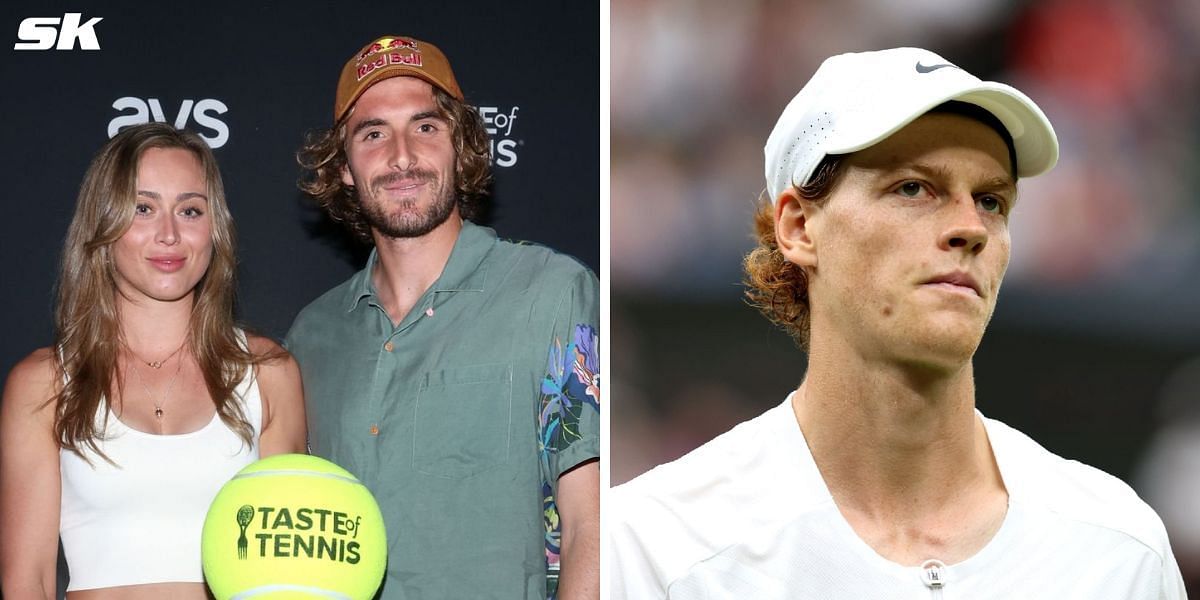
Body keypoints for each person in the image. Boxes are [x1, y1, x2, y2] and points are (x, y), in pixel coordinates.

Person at [609, 47, 1187, 599]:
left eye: (991, 200)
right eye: (913, 188)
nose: (971, 228)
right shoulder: (658, 549)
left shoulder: (1120, 548)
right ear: (800, 228)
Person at [287, 35, 599, 599]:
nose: (402, 156)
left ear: (462, 147)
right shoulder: (312, 337)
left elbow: (591, 525)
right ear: (346, 169)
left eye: (425, 127)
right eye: (374, 133)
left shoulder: (551, 293)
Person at [0, 123, 307, 599]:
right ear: (104, 224)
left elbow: (288, 574)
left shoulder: (269, 374)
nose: (169, 234)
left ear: (215, 229)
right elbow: (28, 581)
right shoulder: (44, 383)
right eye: (143, 208)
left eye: (190, 210)